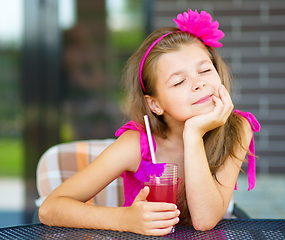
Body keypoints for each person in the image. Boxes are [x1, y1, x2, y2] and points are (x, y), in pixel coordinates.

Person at [39, 9, 260, 236]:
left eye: (205, 70)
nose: (199, 84)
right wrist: (125, 219)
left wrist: (193, 134)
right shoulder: (137, 145)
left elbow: (204, 220)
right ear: (155, 104)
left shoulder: (236, 129)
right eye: (179, 82)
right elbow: (50, 208)